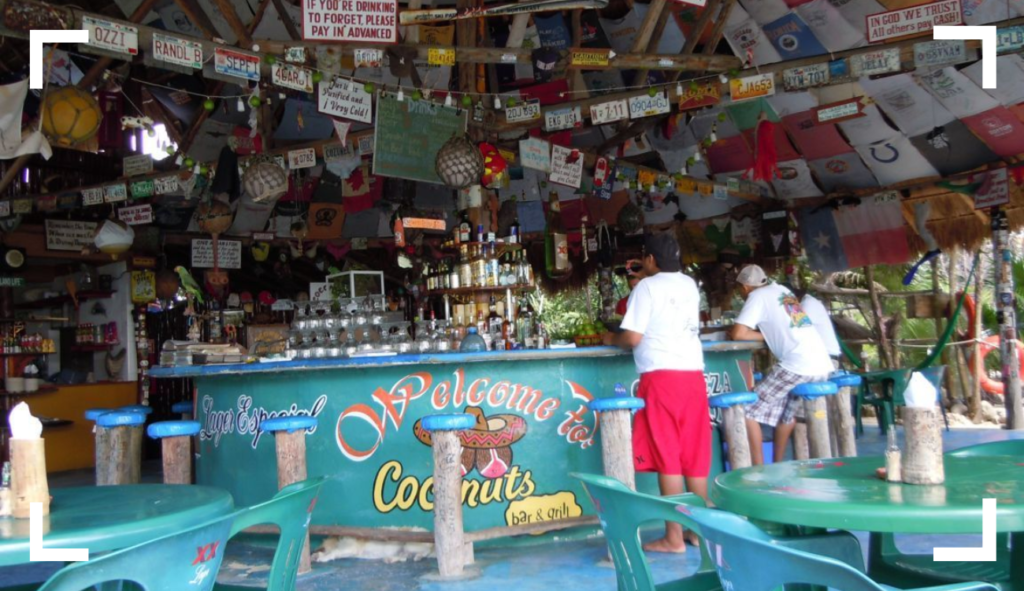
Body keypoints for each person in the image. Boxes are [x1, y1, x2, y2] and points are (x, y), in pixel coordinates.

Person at [602, 232, 709, 553]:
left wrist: (611, 340)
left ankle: (673, 538)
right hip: (693, 375)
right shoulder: (689, 285)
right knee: (694, 456)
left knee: (669, 458)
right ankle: (697, 532)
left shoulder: (647, 287)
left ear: (650, 259)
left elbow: (632, 337)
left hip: (662, 378)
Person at [730, 265, 833, 465]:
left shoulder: (756, 297)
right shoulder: (784, 292)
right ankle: (777, 464)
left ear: (744, 287)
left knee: (746, 410)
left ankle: (759, 468)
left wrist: (764, 334)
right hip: (821, 364)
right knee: (787, 416)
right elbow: (792, 327)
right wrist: (769, 334)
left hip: (798, 365)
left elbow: (738, 334)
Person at [793, 287, 842, 369]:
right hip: (822, 357)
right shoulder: (808, 302)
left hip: (825, 359)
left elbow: (796, 329)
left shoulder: (807, 305)